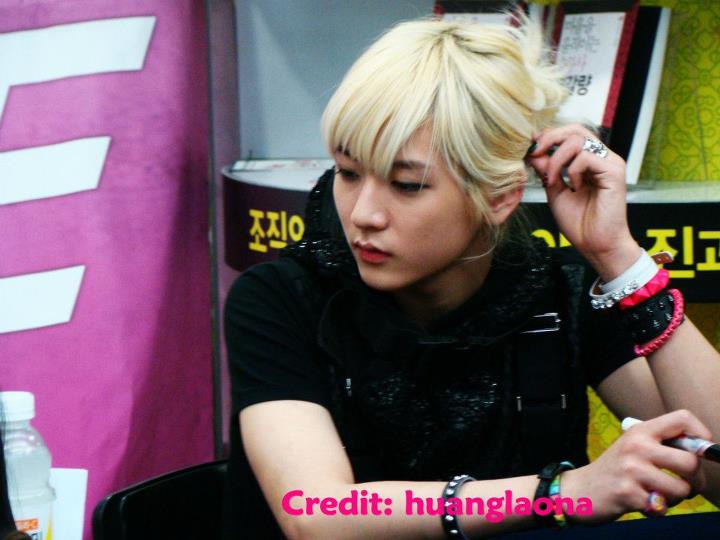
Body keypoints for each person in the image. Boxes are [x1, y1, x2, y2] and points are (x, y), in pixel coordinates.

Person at [221, 15, 720, 540]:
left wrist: (619, 257)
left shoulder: (556, 296)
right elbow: (316, 513)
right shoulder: (282, 298)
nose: (363, 214)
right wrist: (559, 493)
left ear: (499, 197)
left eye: (406, 184)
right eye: (347, 172)